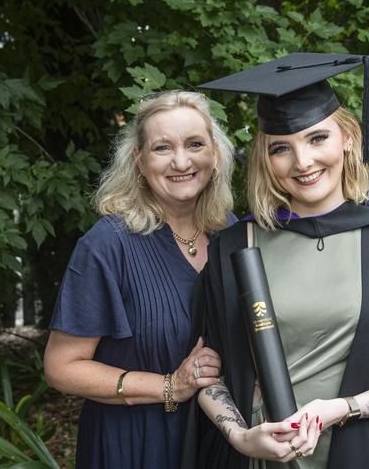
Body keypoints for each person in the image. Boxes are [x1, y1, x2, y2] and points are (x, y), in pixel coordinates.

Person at [182, 53, 369, 468]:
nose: (303, 163)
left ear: (348, 138)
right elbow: (210, 375)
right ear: (265, 158)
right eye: (282, 148)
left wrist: (340, 407)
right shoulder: (232, 248)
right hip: (257, 460)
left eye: (318, 138)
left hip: (361, 456)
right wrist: (242, 437)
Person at [43, 90, 236, 468]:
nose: (181, 161)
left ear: (214, 152)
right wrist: (170, 386)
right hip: (134, 444)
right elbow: (61, 368)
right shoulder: (108, 244)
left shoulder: (229, 234)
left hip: (216, 442)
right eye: (162, 148)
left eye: (195, 144)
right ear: (139, 160)